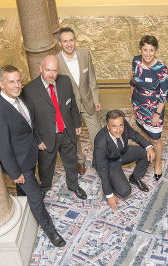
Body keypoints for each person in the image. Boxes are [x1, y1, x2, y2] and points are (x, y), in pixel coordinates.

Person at [0, 65, 66, 247]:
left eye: (19, 80)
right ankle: (50, 230)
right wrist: (15, 174)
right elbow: (3, 147)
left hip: (29, 153)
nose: (17, 85)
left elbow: (28, 123)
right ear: (1, 84)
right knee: (36, 197)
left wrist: (37, 139)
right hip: (19, 163)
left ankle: (23, 207)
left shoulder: (18, 97)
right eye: (12, 82)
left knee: (25, 194)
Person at [22, 55, 87, 200]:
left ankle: (73, 185)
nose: (51, 75)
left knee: (71, 162)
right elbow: (29, 120)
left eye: (54, 71)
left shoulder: (65, 81)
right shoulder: (29, 90)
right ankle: (45, 187)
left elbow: (72, 105)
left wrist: (77, 123)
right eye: (48, 70)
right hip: (45, 136)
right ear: (41, 69)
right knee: (46, 167)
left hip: (67, 132)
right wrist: (38, 140)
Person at [55, 27, 102, 176]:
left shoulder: (84, 54)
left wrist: (96, 99)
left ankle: (100, 161)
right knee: (74, 138)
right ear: (60, 43)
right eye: (65, 41)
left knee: (98, 135)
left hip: (88, 101)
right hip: (69, 107)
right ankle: (80, 161)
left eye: (71, 40)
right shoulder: (56, 61)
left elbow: (92, 78)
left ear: (75, 40)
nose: (69, 44)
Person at [93, 110, 155, 210]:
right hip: (109, 162)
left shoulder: (123, 124)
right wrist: (109, 195)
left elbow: (135, 135)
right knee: (125, 191)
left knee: (146, 153)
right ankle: (114, 180)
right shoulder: (101, 141)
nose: (118, 130)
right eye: (114, 126)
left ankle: (135, 177)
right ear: (108, 126)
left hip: (122, 152)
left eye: (120, 125)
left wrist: (148, 146)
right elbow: (102, 170)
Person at [130, 35, 168, 180]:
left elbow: (164, 95)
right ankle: (147, 155)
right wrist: (132, 100)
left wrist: (157, 114)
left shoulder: (161, 69)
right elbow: (133, 81)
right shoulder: (136, 61)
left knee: (156, 138)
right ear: (140, 49)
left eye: (151, 50)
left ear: (156, 51)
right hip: (139, 107)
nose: (147, 53)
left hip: (154, 110)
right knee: (144, 133)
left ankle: (157, 163)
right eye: (145, 50)